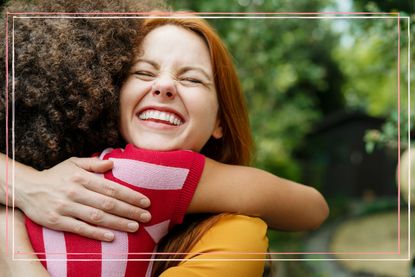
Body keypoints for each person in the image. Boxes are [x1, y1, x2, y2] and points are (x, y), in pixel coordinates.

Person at [0, 2, 328, 276]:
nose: (164, 86)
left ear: (220, 121)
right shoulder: (151, 173)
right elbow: (313, 208)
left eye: (192, 78)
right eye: (143, 72)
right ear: (108, 92)